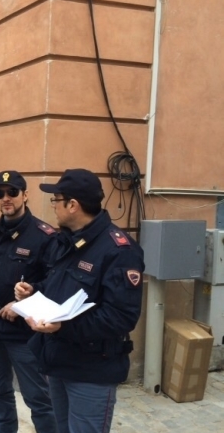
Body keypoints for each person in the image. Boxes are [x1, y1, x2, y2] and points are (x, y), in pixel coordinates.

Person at [15, 169, 144, 433]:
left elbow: (121, 317)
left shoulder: (119, 250)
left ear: (73, 205)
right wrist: (34, 291)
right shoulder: (66, 241)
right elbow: (59, 287)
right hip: (59, 361)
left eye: (56, 199)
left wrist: (63, 326)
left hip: (91, 370)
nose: (53, 205)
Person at [0, 171, 57, 433]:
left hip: (24, 334)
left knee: (38, 398)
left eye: (12, 192)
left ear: (25, 195)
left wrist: (22, 305)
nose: (6, 198)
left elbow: (54, 283)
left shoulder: (44, 236)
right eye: (0, 193)